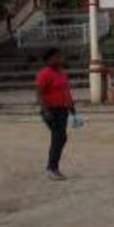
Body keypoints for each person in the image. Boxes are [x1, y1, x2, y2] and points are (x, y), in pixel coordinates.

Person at [34, 47, 75, 180]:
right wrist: (45, 110)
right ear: (49, 59)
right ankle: (52, 168)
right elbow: (39, 93)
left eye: (60, 57)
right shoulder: (44, 73)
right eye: (56, 57)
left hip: (62, 109)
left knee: (60, 137)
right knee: (59, 137)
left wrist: (71, 105)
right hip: (51, 110)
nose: (59, 59)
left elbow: (65, 90)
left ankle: (53, 167)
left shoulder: (61, 73)